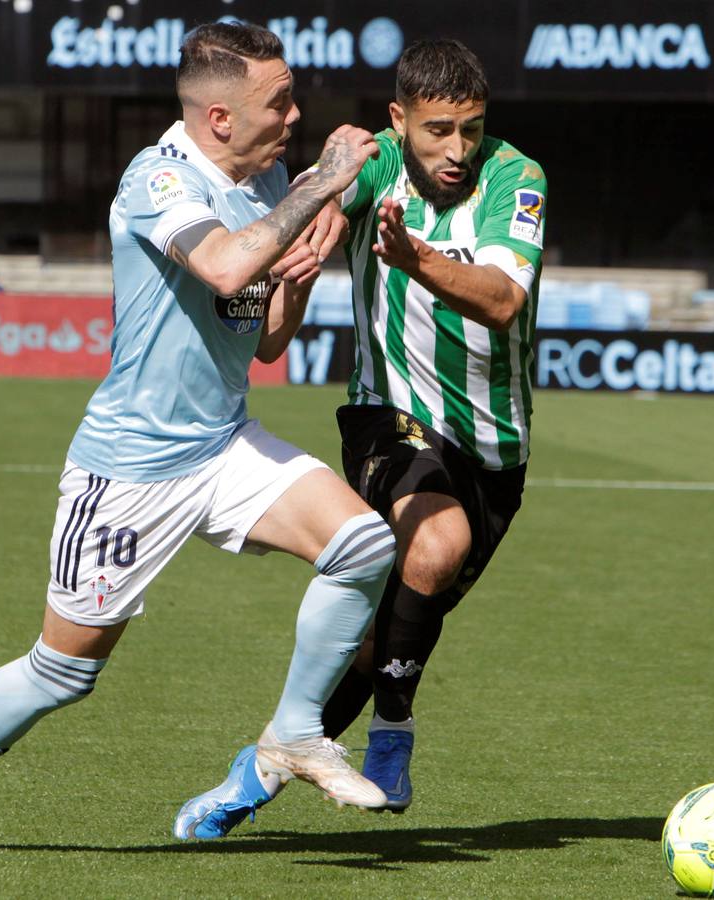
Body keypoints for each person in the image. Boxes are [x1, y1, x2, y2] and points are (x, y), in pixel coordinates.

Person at [0, 21, 397, 850]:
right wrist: (325, 183)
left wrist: (298, 276)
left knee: (364, 547)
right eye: (279, 101)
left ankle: (295, 734)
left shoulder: (265, 182)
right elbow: (224, 265)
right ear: (220, 117)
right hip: (130, 469)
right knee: (63, 673)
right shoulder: (160, 179)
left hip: (222, 444)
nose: (296, 115)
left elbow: (262, 337)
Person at [178, 39, 546, 836]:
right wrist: (325, 206)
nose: (457, 149)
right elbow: (335, 188)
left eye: (472, 129)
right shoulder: (378, 164)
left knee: (377, 642)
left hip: (495, 450)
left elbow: (503, 301)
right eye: (438, 130)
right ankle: (394, 732)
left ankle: (258, 772)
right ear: (399, 119)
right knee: (436, 544)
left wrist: (413, 258)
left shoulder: (517, 179)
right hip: (389, 417)